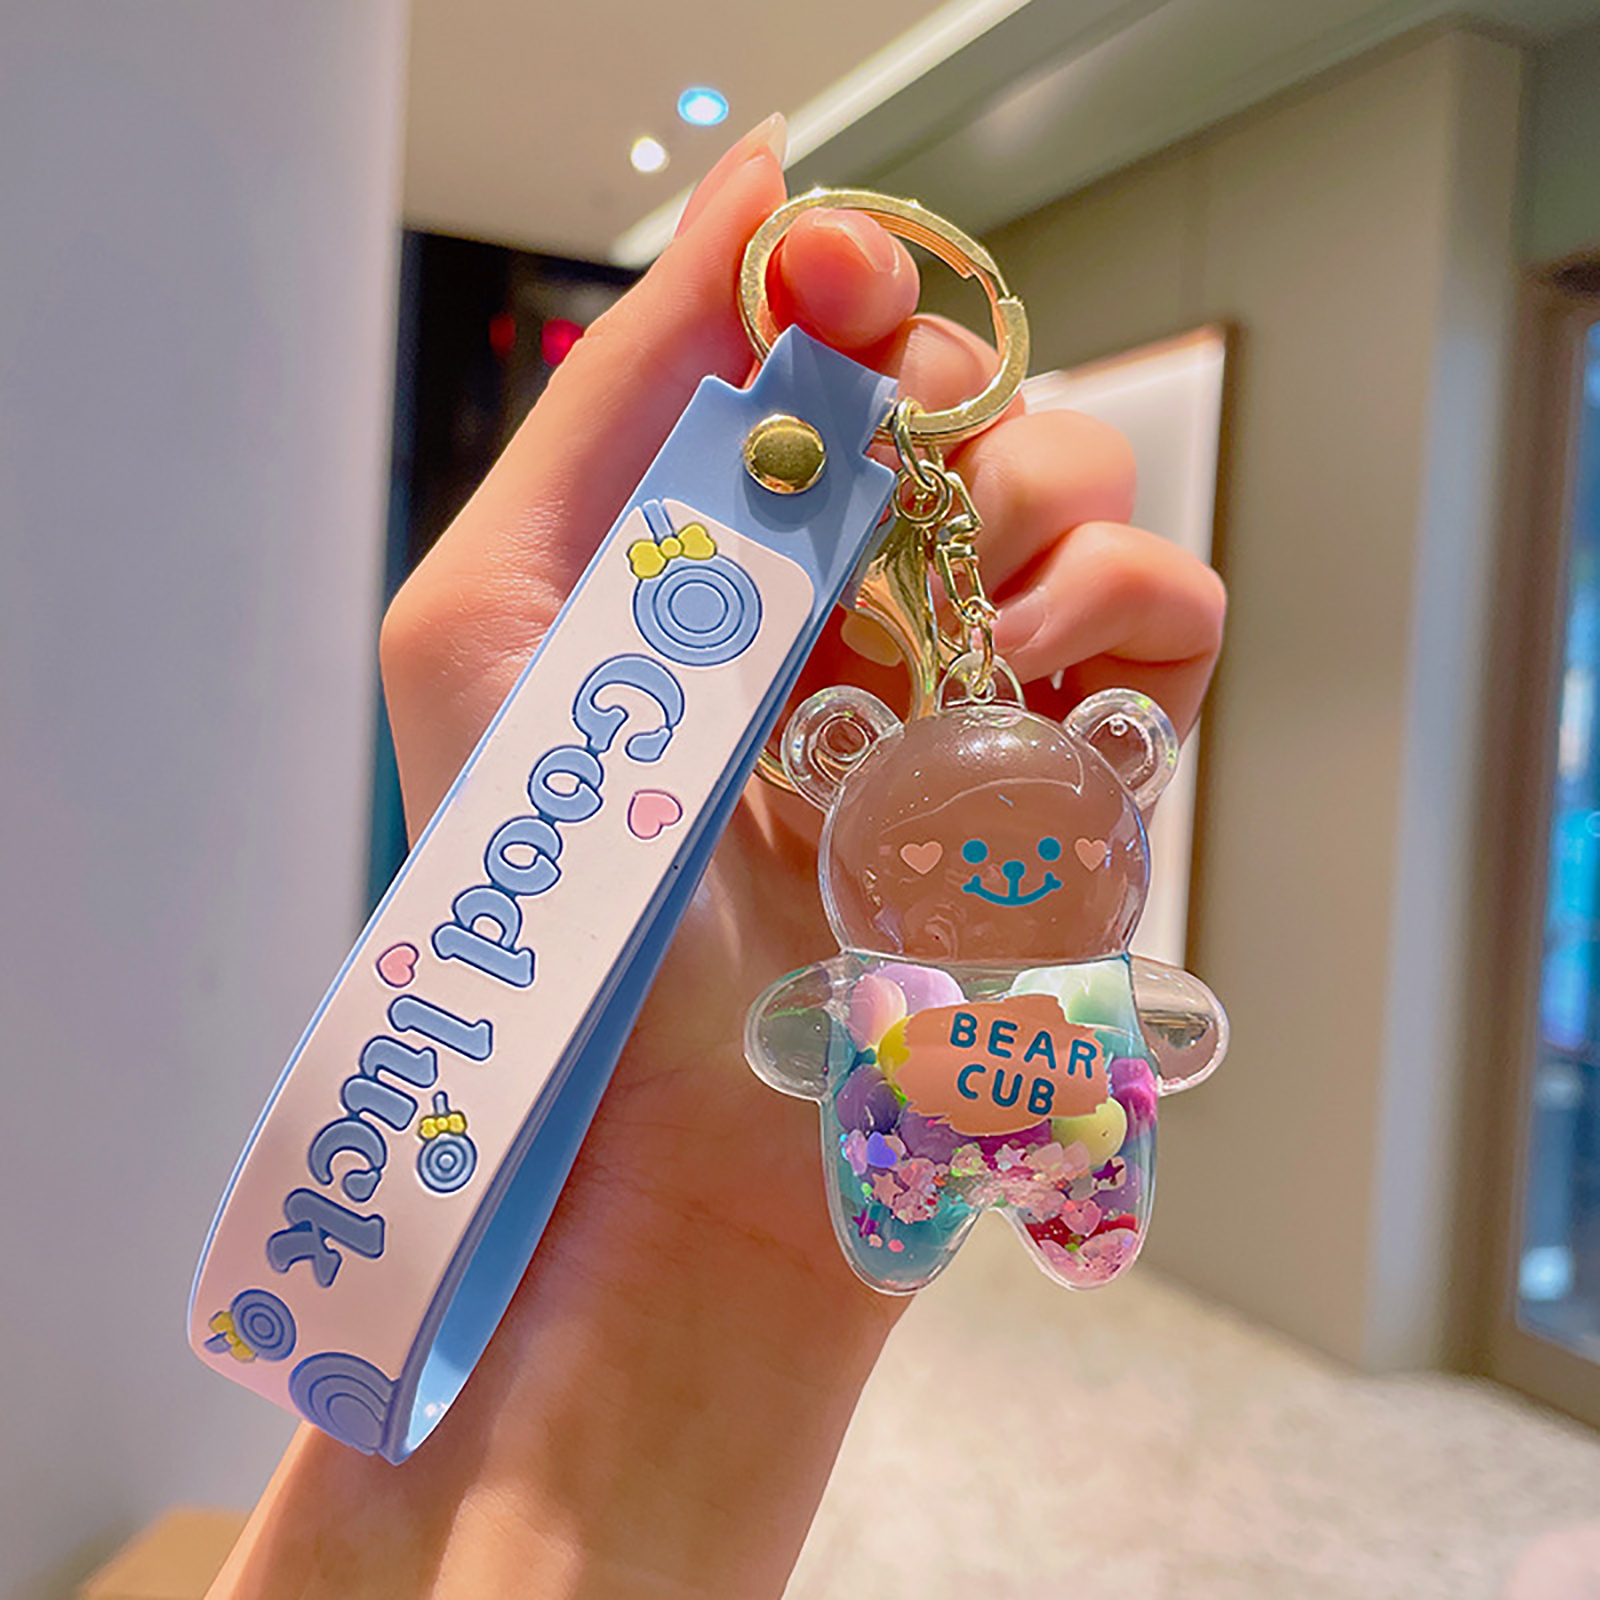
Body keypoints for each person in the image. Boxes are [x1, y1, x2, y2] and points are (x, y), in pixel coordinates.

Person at [208, 114, 1226, 1599]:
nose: (1000, 879)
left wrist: (691, 1285)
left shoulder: (959, 1000)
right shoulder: (861, 984)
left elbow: (1158, 1030)